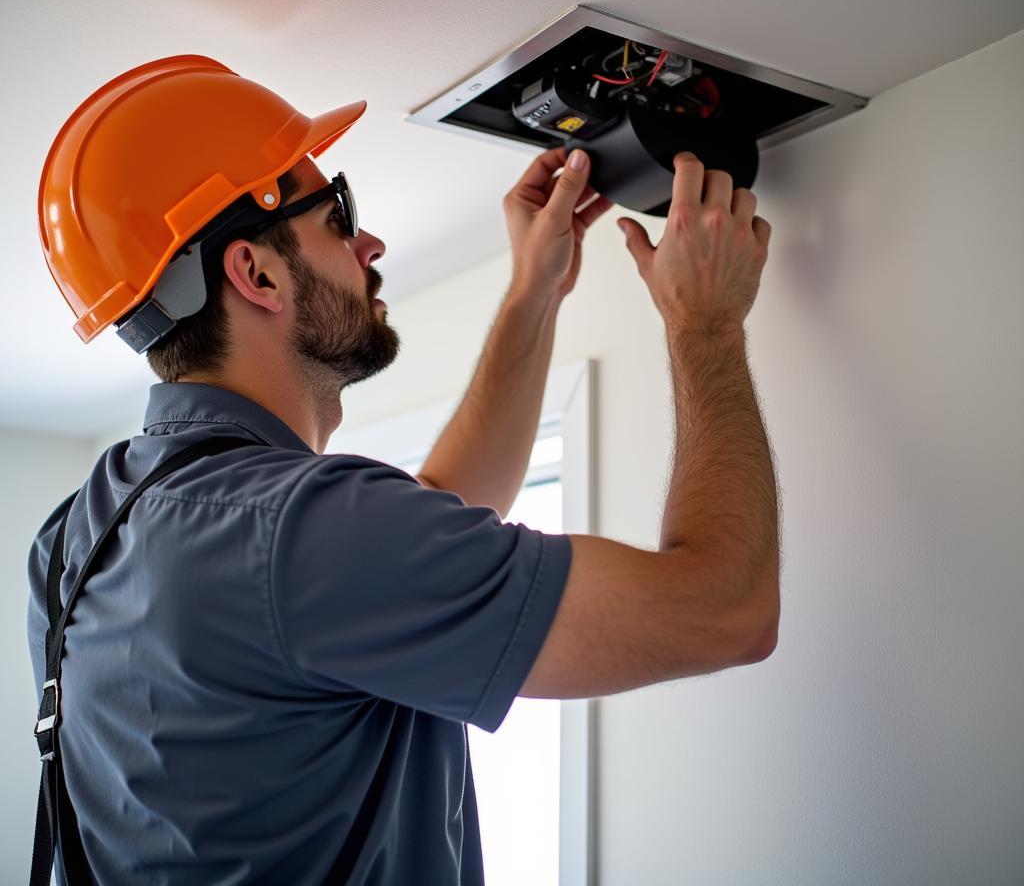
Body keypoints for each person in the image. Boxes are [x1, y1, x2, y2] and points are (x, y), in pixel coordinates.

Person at [28, 56, 779, 885]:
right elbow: (726, 611)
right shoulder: (299, 530)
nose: (372, 242)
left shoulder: (74, 538)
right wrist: (704, 327)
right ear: (258, 273)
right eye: (338, 215)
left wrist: (535, 292)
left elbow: (415, 540)